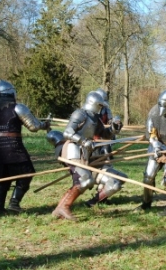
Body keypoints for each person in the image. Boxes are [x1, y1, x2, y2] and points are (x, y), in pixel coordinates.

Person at [51, 91, 122, 221]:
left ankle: (60, 208)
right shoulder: (80, 114)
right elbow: (67, 132)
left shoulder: (96, 118)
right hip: (72, 149)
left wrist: (114, 129)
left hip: (84, 151)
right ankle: (63, 207)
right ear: (93, 103)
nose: (101, 108)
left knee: (85, 180)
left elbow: (104, 135)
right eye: (99, 105)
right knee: (85, 180)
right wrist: (83, 141)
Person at [0, 80, 50, 215]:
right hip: (13, 149)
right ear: (12, 92)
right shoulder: (18, 107)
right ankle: (14, 203)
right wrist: (44, 125)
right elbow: (33, 127)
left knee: (3, 178)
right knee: (27, 173)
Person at [46, 130, 127, 209]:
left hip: (100, 166)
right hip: (92, 170)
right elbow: (78, 162)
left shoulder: (75, 142)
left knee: (122, 177)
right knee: (115, 185)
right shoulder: (66, 148)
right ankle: (92, 202)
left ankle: (102, 197)